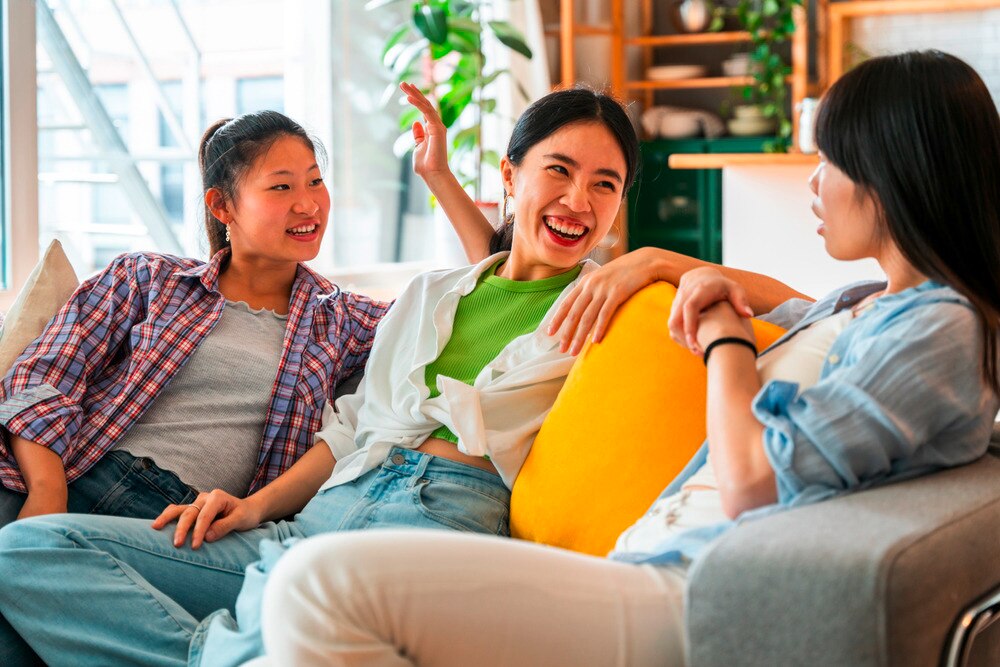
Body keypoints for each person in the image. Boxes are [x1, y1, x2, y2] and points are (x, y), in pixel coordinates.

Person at [242, 50, 999, 666]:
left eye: (830, 157)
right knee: (284, 598)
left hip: (693, 584)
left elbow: (749, 479)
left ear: (891, 172)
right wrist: (672, 265)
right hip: (637, 554)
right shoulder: (867, 302)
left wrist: (722, 335)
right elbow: (781, 297)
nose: (813, 177)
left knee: (312, 587)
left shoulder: (938, 326)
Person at [0, 85, 646, 666]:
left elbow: (533, 276)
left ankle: (224, 652)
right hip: (286, 513)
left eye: (605, 185)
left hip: (425, 513)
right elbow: (355, 421)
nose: (577, 198)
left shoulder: (610, 307)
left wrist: (653, 261)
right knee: (20, 551)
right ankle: (223, 655)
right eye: (558, 170)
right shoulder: (424, 296)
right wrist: (251, 507)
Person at [0, 111, 392, 531]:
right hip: (63, 478)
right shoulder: (146, 278)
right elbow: (40, 381)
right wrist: (47, 493)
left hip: (179, 519)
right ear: (222, 205)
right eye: (282, 186)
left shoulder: (346, 321)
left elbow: (464, 301)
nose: (308, 203)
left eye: (315, 181)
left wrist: (438, 175)